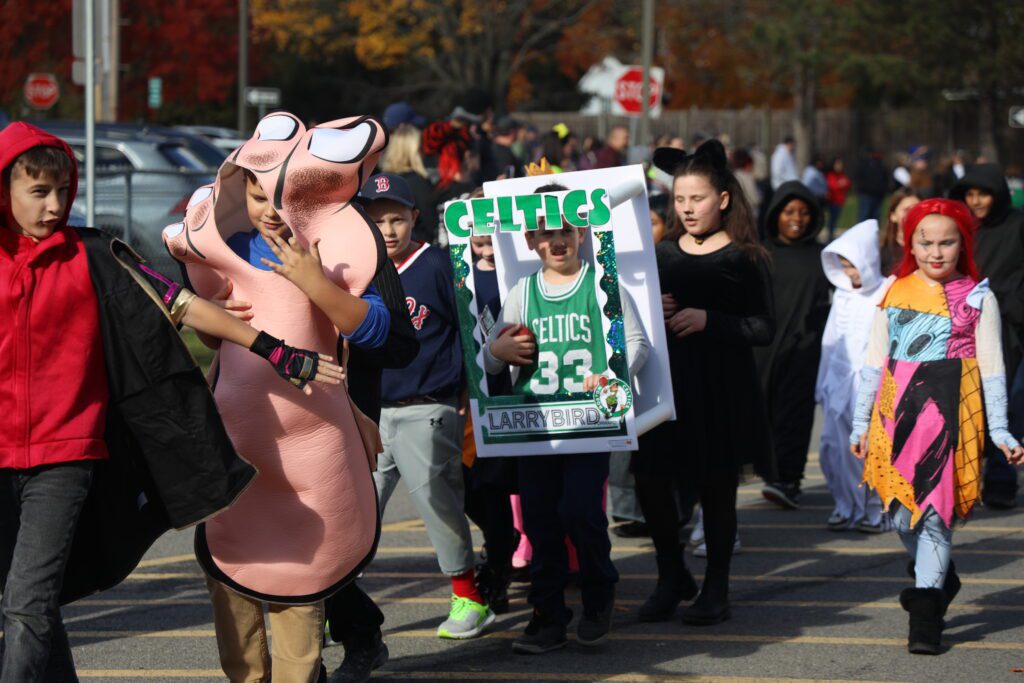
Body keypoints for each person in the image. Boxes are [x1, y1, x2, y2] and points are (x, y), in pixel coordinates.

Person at [0, 122, 334, 681]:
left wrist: (278, 351)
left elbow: (180, 304)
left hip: (66, 457)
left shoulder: (93, 254)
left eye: (63, 190)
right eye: (38, 192)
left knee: (27, 600)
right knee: (23, 596)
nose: (55, 204)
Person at [166, 113, 389, 683]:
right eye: (257, 192)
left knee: (301, 589)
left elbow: (377, 331)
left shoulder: (332, 246)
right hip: (239, 441)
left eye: (280, 194)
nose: (269, 207)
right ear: (238, 186)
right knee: (234, 595)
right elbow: (211, 328)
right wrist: (210, 322)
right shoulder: (224, 248)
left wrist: (314, 283)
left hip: (314, 448)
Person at [850, 198, 1024, 655]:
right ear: (910, 243)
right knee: (900, 516)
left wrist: (1001, 429)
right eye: (925, 242)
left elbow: (992, 368)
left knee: (934, 522)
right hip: (895, 415)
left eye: (947, 242)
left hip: (950, 417)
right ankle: (941, 579)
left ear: (963, 244)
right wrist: (859, 422)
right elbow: (873, 362)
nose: (936, 251)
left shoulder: (977, 297)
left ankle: (925, 619)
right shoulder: (893, 291)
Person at [484, 182, 650, 653]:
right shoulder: (521, 292)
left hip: (588, 421)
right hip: (536, 428)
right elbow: (492, 358)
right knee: (539, 522)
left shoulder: (603, 287)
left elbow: (636, 343)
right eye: (546, 231)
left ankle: (599, 592)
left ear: (583, 232)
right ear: (531, 240)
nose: (557, 240)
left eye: (566, 229)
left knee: (580, 510)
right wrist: (498, 349)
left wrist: (612, 373)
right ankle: (548, 614)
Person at [633, 140, 774, 625]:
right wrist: (658, 310)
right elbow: (633, 317)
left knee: (717, 490)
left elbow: (763, 326)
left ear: (724, 199)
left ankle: (716, 588)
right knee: (650, 482)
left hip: (720, 390)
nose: (688, 208)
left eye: (697, 198)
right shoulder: (662, 252)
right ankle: (671, 575)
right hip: (665, 389)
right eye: (679, 199)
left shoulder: (745, 256)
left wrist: (710, 320)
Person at [361, 172, 495, 639]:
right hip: (369, 413)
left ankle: (469, 597)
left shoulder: (437, 264)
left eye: (397, 218)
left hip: (427, 406)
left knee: (439, 506)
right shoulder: (356, 270)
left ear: (415, 218)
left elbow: (470, 323)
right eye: (378, 221)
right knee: (355, 514)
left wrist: (468, 392)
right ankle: (340, 606)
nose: (389, 230)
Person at [950, 164, 1024, 509]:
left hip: (1010, 325)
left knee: (1005, 402)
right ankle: (964, 479)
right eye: (969, 194)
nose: (976, 201)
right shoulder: (962, 229)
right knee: (966, 403)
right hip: (965, 324)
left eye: (983, 193)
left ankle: (1000, 480)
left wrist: (1008, 300)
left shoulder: (1017, 224)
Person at [756, 181, 831, 509]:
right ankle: (768, 471)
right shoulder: (758, 255)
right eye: (789, 212)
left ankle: (788, 479)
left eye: (804, 212)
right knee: (764, 415)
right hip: (762, 349)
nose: (797, 219)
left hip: (805, 349)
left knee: (795, 414)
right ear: (775, 215)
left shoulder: (824, 258)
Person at [815, 219, 888, 532]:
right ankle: (845, 505)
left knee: (870, 450)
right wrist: (822, 384)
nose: (850, 274)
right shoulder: (843, 295)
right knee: (833, 448)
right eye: (844, 266)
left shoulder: (888, 290)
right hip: (839, 385)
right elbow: (830, 342)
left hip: (873, 386)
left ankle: (876, 511)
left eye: (855, 266)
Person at [380, 123, 438, 244]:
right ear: (415, 150)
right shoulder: (419, 183)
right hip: (417, 250)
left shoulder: (382, 182)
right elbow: (431, 224)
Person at [879, 188, 921, 277]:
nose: (913, 214)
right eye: (907, 210)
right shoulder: (881, 252)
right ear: (893, 216)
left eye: (917, 209)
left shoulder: (931, 250)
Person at [854, 149, 888, 222]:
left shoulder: (882, 166)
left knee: (875, 218)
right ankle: (861, 232)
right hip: (866, 194)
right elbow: (859, 178)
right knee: (863, 216)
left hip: (878, 195)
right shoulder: (864, 165)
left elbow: (885, 180)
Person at [825, 157, 852, 241]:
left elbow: (848, 184)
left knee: (835, 219)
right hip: (833, 200)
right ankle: (830, 235)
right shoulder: (830, 175)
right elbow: (832, 185)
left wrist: (842, 184)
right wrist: (840, 184)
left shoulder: (842, 175)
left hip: (840, 201)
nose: (839, 166)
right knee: (832, 219)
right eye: (837, 164)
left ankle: (831, 234)